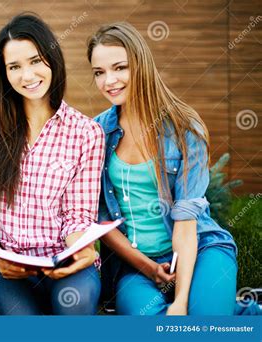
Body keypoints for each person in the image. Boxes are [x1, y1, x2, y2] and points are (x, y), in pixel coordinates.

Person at [88, 22, 239, 315]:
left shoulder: (184, 129)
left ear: (141, 65)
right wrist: (149, 268)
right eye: (99, 72)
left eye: (120, 67)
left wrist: (180, 301)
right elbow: (101, 222)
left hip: (201, 248)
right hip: (136, 265)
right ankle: (241, 311)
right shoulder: (95, 133)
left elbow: (185, 221)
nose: (109, 80)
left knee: (203, 322)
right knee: (152, 323)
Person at [0, 14, 105, 315]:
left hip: (63, 259)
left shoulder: (86, 132)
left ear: (52, 59)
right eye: (14, 66)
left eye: (35, 60)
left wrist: (78, 250)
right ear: (4, 73)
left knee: (75, 304)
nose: (27, 75)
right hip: (4, 266)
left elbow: (78, 213)